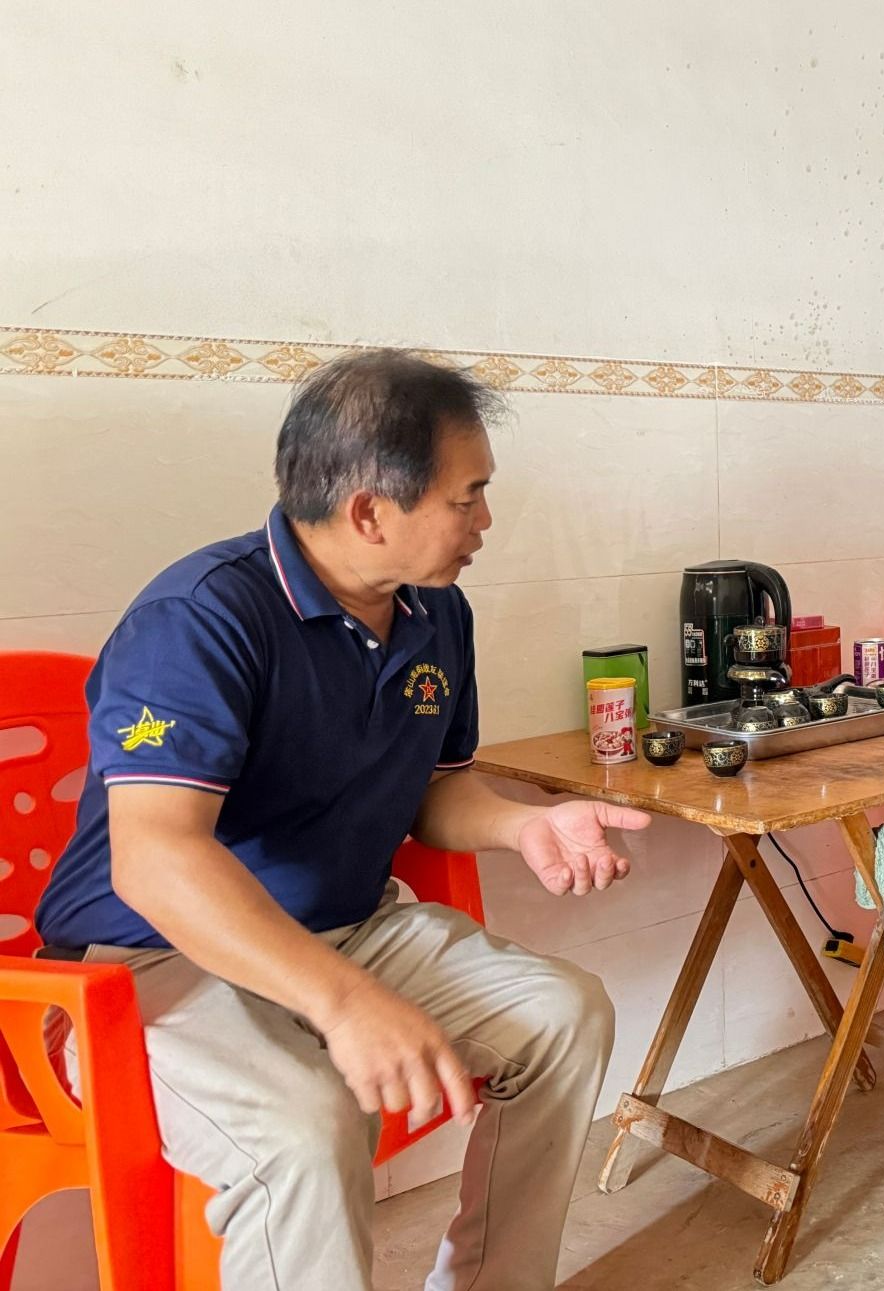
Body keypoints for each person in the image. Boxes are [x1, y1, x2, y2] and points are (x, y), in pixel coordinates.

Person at [34, 350, 650, 1291]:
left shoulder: (436, 615)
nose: (485, 521)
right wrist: (345, 1001)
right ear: (370, 511)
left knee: (566, 1015)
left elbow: (435, 792)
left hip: (351, 927)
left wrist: (521, 826)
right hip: (147, 961)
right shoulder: (199, 619)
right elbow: (154, 859)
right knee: (307, 1125)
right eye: (468, 498)